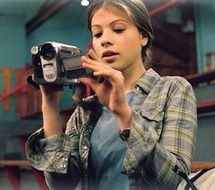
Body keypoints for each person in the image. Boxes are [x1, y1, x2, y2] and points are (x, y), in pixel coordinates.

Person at [25, 0, 197, 189]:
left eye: (118, 29)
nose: (104, 40)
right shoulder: (87, 110)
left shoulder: (173, 90)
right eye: (97, 33)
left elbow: (173, 180)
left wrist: (124, 113)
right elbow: (61, 184)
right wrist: (49, 104)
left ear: (143, 37)